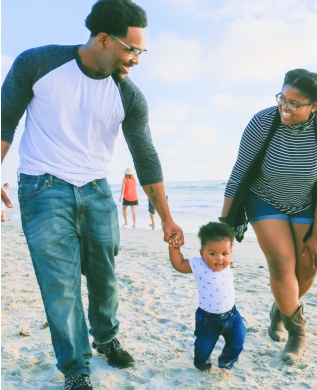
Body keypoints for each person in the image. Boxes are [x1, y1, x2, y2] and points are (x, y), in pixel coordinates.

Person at [1, 1, 184, 389]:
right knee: (60, 283)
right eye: (131, 49)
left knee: (104, 276)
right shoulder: (38, 63)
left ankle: (106, 336)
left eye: (141, 51)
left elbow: (145, 157)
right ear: (103, 39)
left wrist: (166, 216)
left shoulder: (129, 97)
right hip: (42, 188)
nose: (137, 59)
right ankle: (76, 369)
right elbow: (4, 124)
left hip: (98, 190)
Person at [220, 69, 317, 364]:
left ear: (314, 105)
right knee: (282, 263)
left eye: (294, 103)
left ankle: (281, 309)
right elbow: (239, 172)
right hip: (264, 199)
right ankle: (297, 331)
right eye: (282, 99)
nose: (285, 108)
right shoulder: (264, 121)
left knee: (308, 268)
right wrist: (224, 225)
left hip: (305, 205)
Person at [168, 222, 246, 375]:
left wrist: (228, 261)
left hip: (232, 315)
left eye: (225, 254)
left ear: (230, 252)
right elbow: (179, 264)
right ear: (202, 253)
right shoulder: (199, 264)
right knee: (203, 349)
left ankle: (226, 362)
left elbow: (225, 263)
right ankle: (202, 364)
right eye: (212, 253)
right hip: (208, 320)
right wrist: (174, 248)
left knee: (238, 340)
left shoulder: (227, 264)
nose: (219, 259)